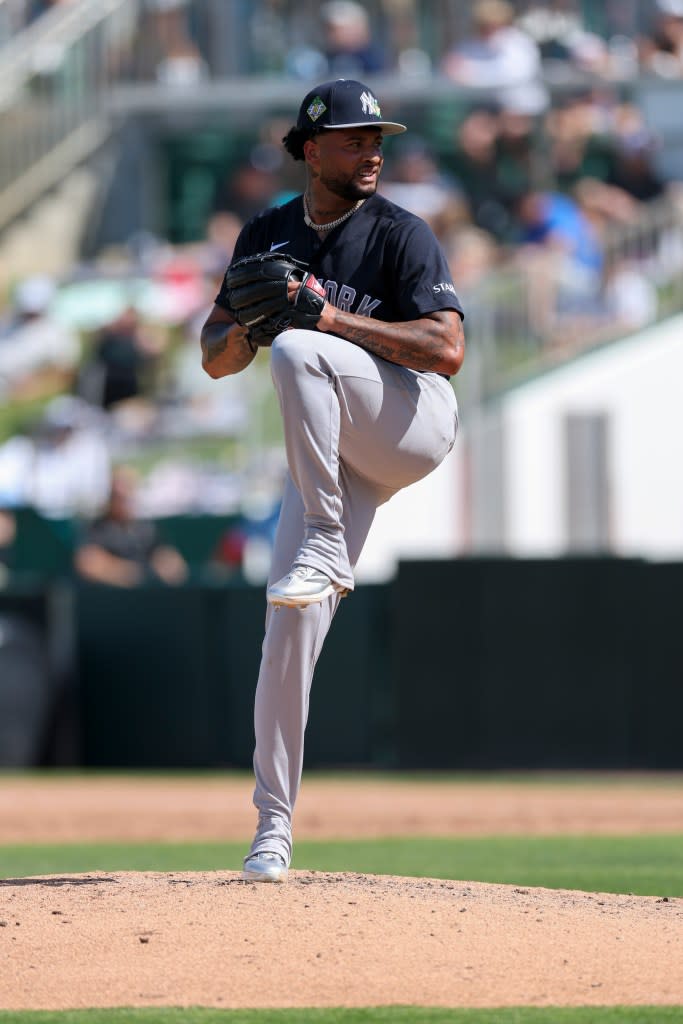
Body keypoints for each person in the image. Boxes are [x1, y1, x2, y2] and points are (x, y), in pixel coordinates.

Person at [200, 78, 465, 883]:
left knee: (300, 350)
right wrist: (249, 320)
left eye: (376, 136)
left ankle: (322, 540)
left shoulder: (399, 231)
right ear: (310, 150)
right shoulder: (267, 232)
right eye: (353, 139)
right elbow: (214, 357)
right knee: (287, 623)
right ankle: (271, 830)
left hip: (411, 422)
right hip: (335, 452)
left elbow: (446, 348)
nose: (373, 150)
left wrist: (324, 318)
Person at [74, 465, 188, 588]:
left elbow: (169, 559)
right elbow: (88, 562)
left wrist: (166, 567)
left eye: (128, 495)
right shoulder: (97, 528)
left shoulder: (146, 528)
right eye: (118, 496)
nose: (124, 502)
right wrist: (126, 572)